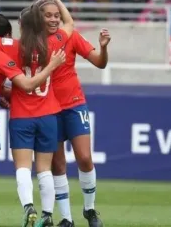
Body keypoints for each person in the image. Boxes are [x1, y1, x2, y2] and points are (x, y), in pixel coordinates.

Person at [0, 13, 66, 227]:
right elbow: (26, 84)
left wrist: (6, 94)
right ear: (7, 34)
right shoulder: (7, 54)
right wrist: (52, 66)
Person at [51, 28, 111, 227]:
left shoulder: (71, 36)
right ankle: (67, 218)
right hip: (48, 108)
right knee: (57, 164)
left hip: (75, 105)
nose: (52, 19)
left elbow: (100, 63)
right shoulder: (34, 40)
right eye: (48, 15)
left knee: (84, 158)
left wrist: (103, 48)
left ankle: (90, 209)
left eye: (55, 15)